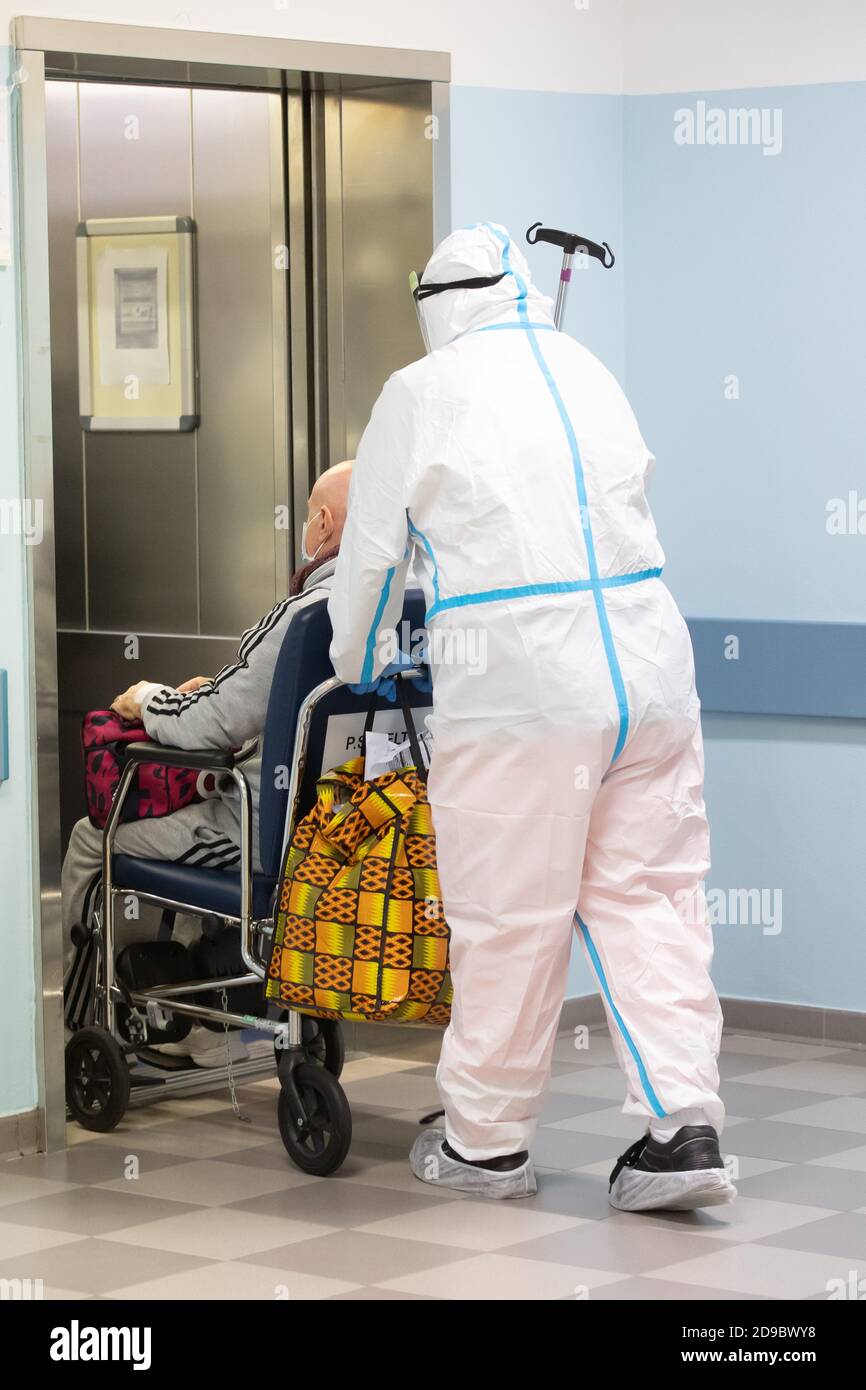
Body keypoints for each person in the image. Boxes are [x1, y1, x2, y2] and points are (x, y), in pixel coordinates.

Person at [328, 223, 734, 1212]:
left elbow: (371, 560)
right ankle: (682, 1131)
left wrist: (362, 663)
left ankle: (484, 1141)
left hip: (521, 684)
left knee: (509, 915)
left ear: (435, 305)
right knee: (652, 896)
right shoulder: (586, 367)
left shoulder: (418, 393)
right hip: (647, 666)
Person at [63, 461, 353, 1064]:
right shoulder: (407, 604)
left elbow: (214, 721)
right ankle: (200, 1011)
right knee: (194, 801)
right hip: (351, 829)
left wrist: (149, 698)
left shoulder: (308, 613)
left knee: (93, 839)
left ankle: (89, 1018)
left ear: (322, 522)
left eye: (306, 517)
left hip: (259, 834)